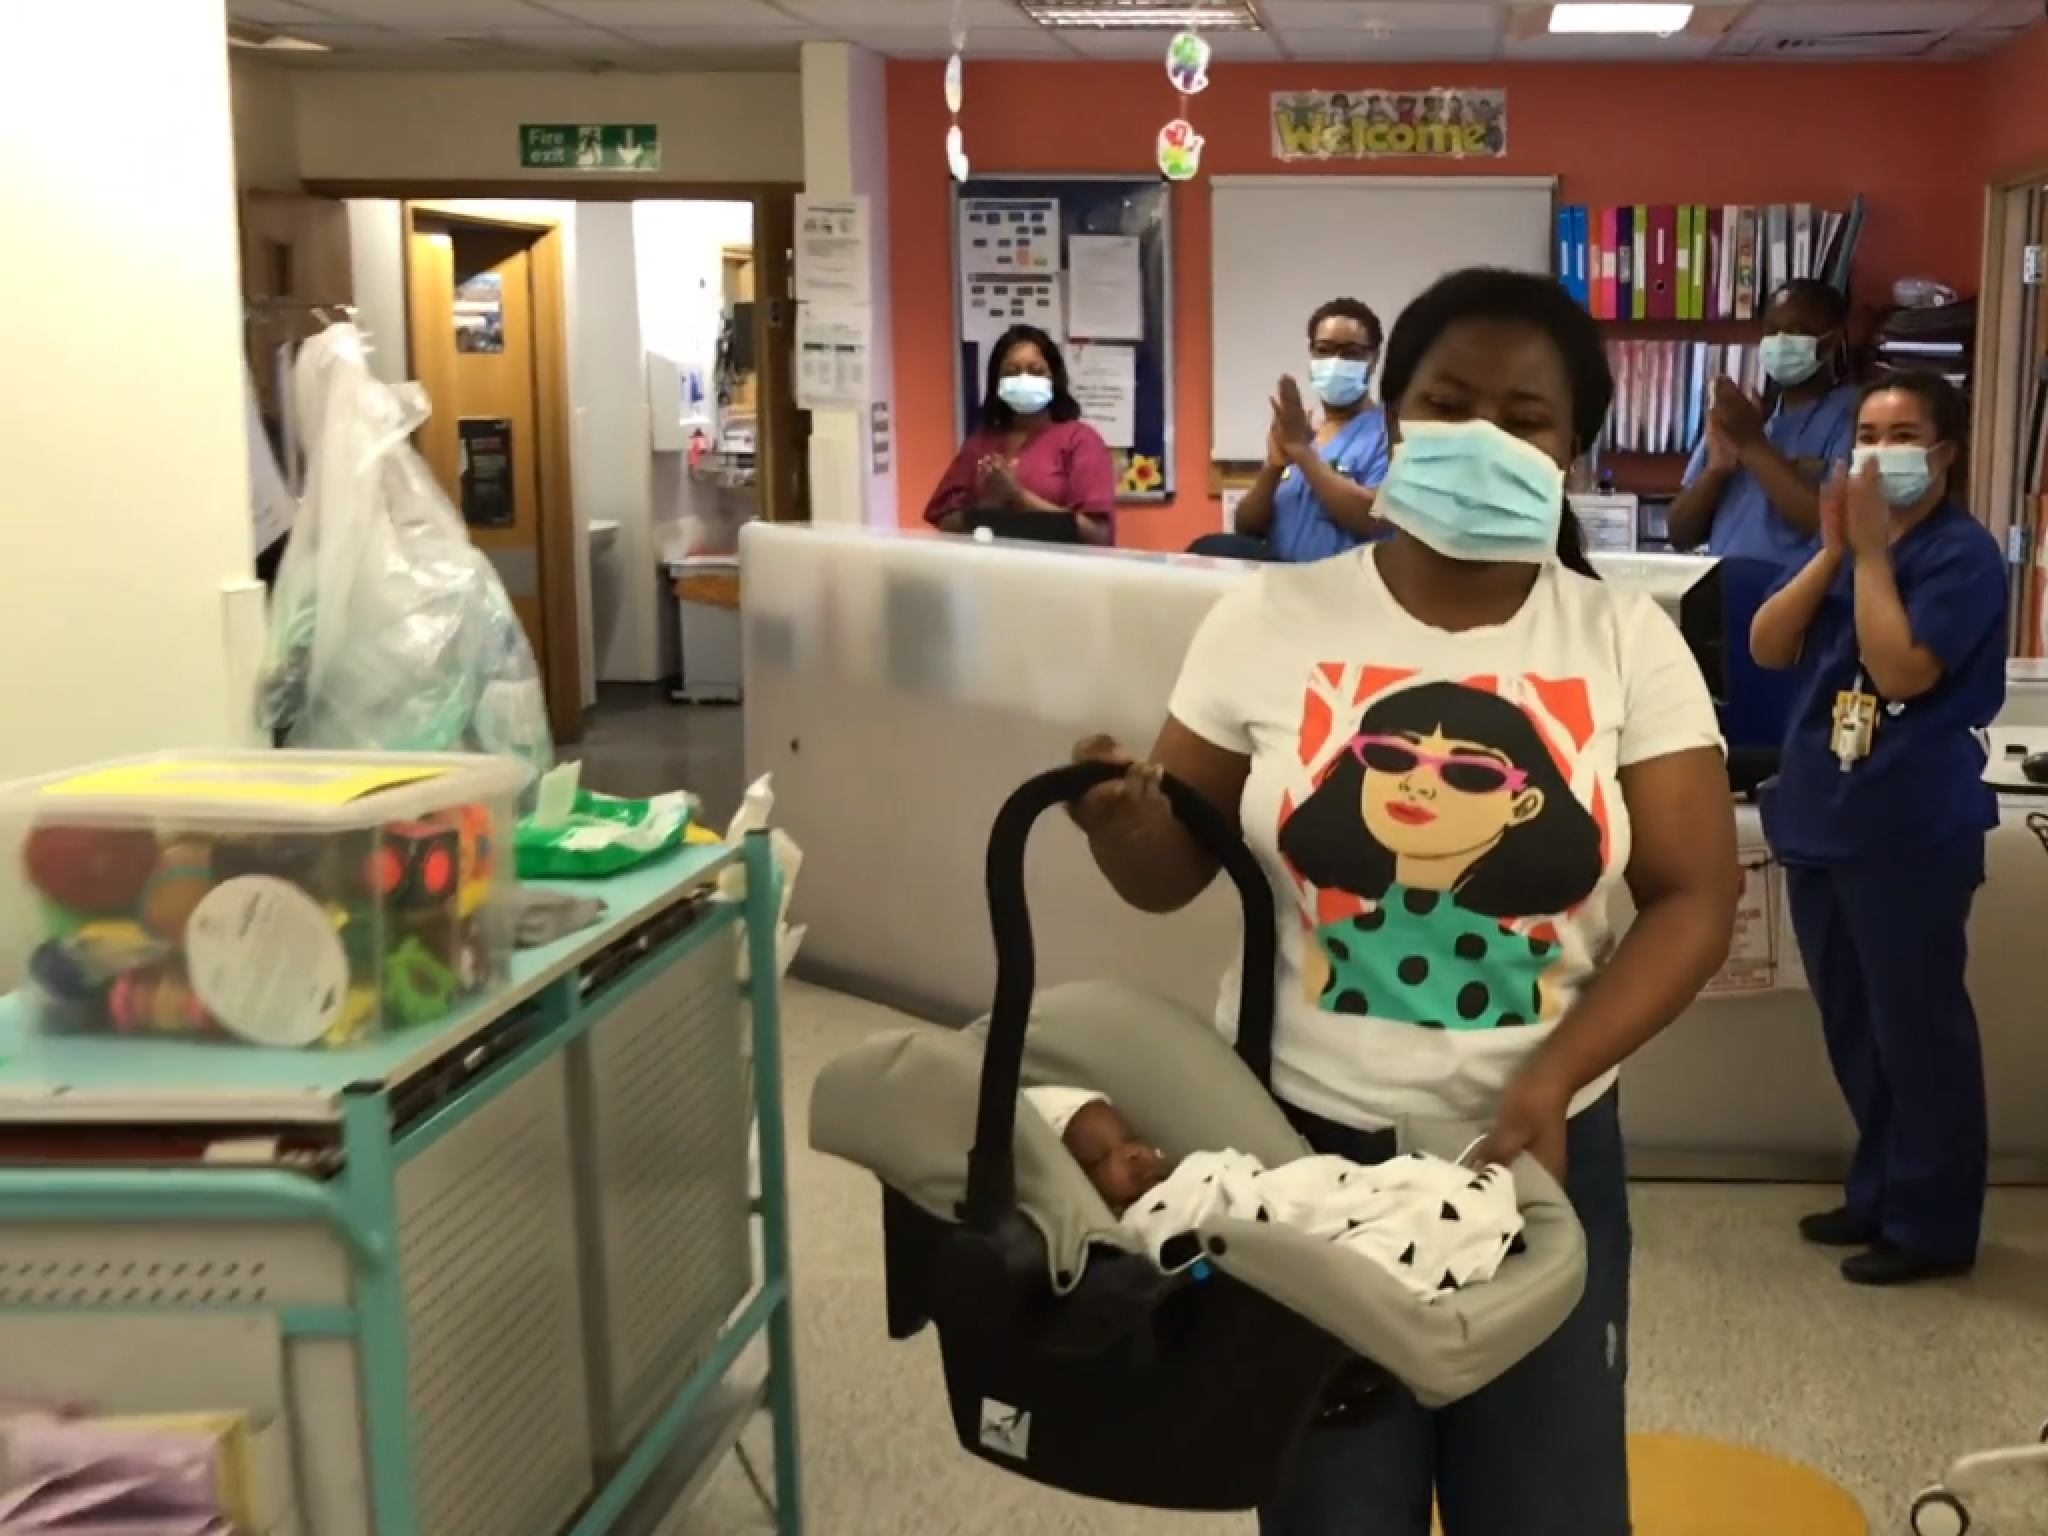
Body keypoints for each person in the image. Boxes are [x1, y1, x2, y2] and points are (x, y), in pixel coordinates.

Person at [1069, 267, 1740, 1536]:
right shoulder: (1270, 617)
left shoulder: (1622, 641)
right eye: (1446, 401)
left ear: (1572, 448)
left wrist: (1551, 1078)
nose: (1483, 436)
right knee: (1331, 1509)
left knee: (1545, 1510)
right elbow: (1166, 875)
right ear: (1392, 414)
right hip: (1300, 1154)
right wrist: (1125, 823)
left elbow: (1694, 898)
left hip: (1540, 1161)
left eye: (1526, 418)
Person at [1747, 371, 2004, 1287]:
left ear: (1944, 453)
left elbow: (1898, 675)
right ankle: (1881, 1190)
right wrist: (1833, 553)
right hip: (1827, 814)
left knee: (1918, 1029)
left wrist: (1871, 558)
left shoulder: (1961, 556)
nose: (1879, 450)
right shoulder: (1853, 547)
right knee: (1857, 1025)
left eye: (1903, 434)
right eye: (1867, 430)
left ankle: (1932, 1222)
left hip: (1908, 826)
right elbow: (1769, 645)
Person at [1667, 278, 1859, 564]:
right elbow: (1680, 534)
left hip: (1799, 597)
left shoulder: (1853, 413)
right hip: (1721, 587)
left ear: (1830, 341)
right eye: (1772, 331)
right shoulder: (1741, 415)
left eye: (1796, 331)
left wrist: (1752, 446)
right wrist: (1716, 472)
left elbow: (1832, 526)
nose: (1781, 342)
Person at [1192, 298, 1392, 564]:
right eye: (1324, 350)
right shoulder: (1302, 431)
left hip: (1343, 594)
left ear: (1374, 358)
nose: (1335, 362)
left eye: (1351, 353)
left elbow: (1373, 518)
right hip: (1281, 588)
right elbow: (1247, 527)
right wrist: (1274, 468)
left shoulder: (1387, 433)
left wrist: (1302, 454)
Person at [924, 324, 1117, 545]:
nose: (1024, 379)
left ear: (1054, 379)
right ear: (997, 382)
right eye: (1011, 372)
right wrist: (989, 504)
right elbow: (946, 524)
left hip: (1058, 574)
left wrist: (1019, 497)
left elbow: (1098, 535)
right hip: (989, 572)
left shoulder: (1080, 441)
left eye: (1036, 371)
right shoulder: (980, 444)